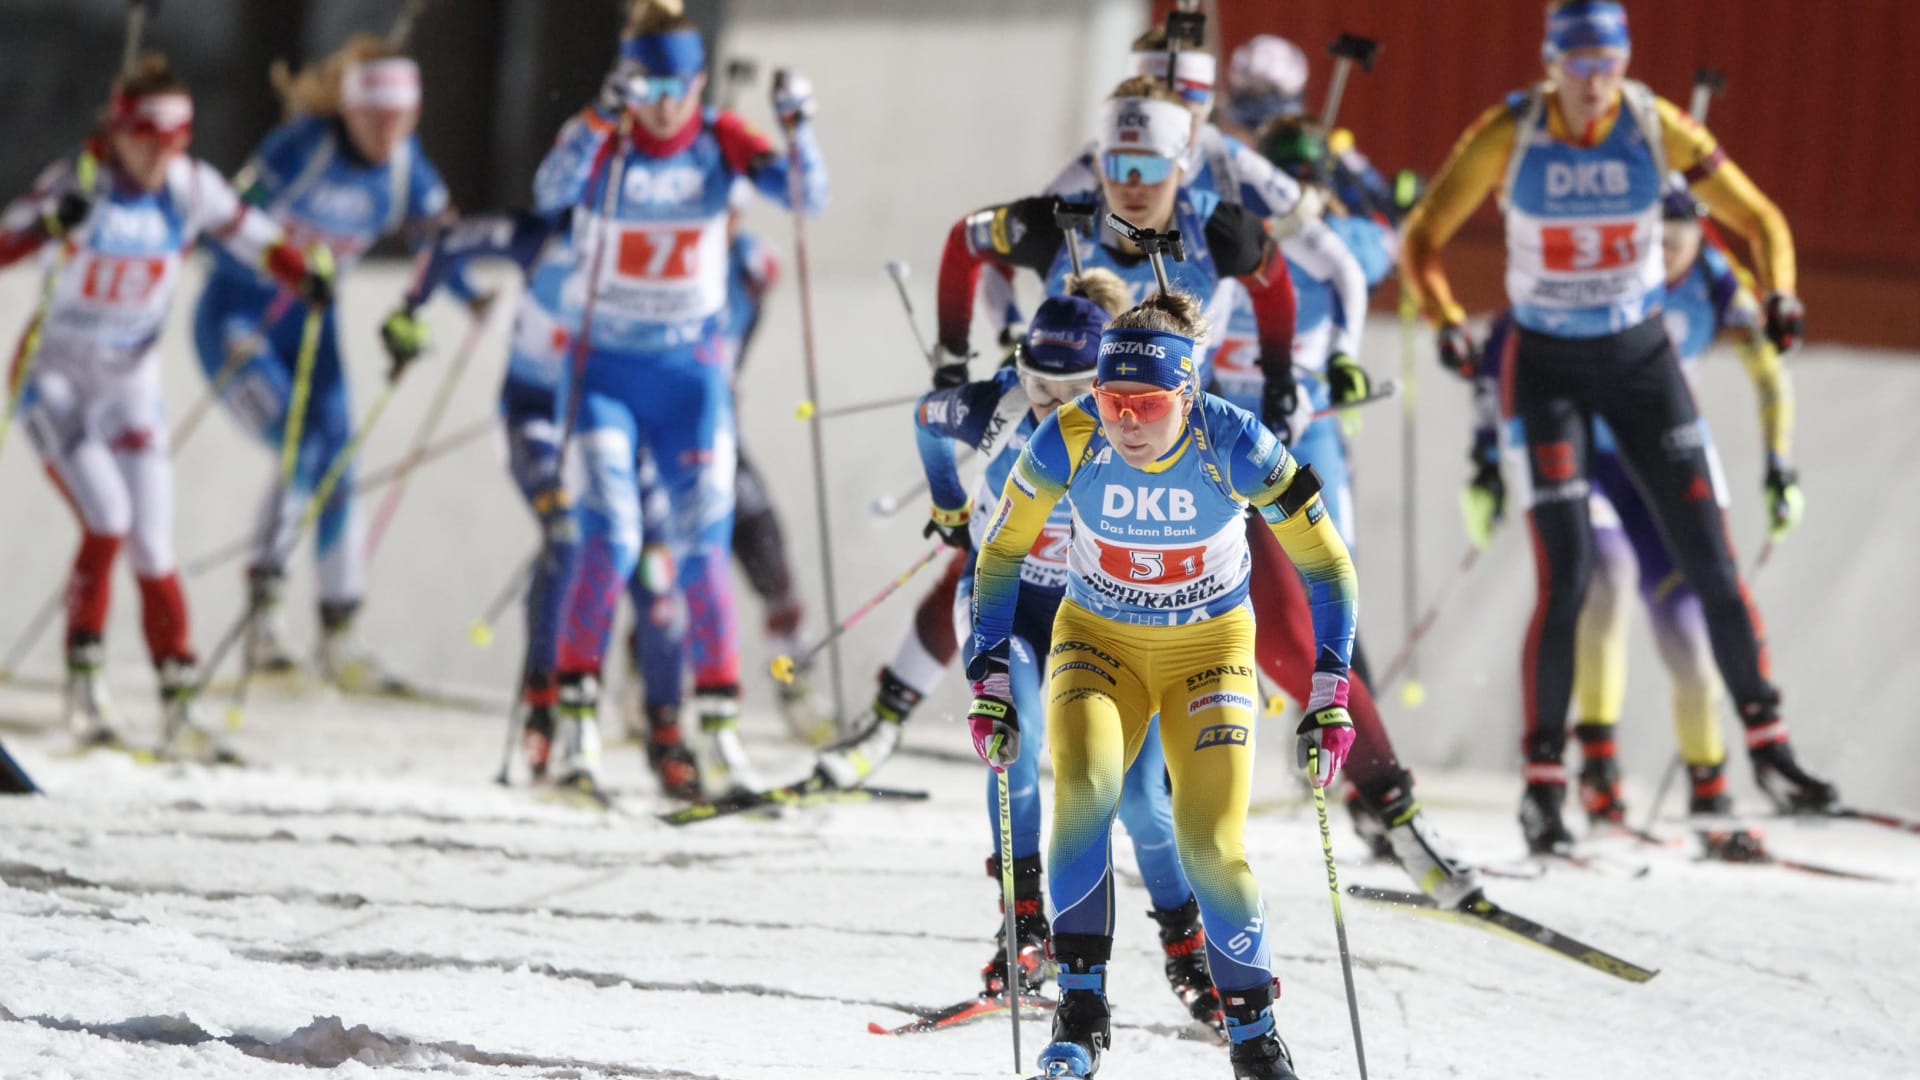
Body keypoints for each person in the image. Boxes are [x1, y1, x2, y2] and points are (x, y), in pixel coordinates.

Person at [1400, 0, 1837, 853]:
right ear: (1551, 63)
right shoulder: (1510, 131)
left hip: (1641, 364)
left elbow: (1761, 220)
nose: (1596, 83)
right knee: (1568, 577)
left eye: (1611, 64)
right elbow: (1424, 236)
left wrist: (1782, 292)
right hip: (1550, 370)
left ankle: (1769, 750)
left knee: (1711, 562)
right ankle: (1545, 785)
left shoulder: (1653, 123)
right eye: (1580, 64)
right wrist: (1447, 318)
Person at [816, 73, 1300, 797]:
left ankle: (1180, 775)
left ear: (1183, 161)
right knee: (992, 566)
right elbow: (966, 243)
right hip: (1060, 426)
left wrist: (1281, 378)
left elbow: (1279, 278)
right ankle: (888, 720)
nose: (1130, 185)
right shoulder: (1063, 219)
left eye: (1148, 167)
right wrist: (960, 355)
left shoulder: (1217, 228)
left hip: (1165, 445)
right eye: (1117, 164)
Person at [965, 289, 1356, 1079]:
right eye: (1112, 400)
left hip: (1209, 649)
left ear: (1187, 392)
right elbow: (1000, 553)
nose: (1126, 422)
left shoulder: (1235, 441)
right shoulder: (1068, 434)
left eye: (1146, 404)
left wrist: (1330, 693)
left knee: (1210, 844)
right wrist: (990, 677)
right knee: (1085, 796)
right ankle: (1080, 1015)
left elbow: (1327, 564)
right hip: (1098, 641)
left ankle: (1255, 1038)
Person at [854, 272, 1226, 1026]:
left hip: (1106, 621)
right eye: (1037, 385)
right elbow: (929, 417)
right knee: (1013, 742)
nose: (1050, 406)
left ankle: (1190, 953)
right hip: (1011, 607)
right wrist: (949, 503)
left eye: (1073, 391)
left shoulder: (1139, 425)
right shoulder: (1000, 408)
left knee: (1141, 802)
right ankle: (1025, 928)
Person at [532, 0, 826, 797]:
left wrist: (798, 128)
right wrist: (597, 119)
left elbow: (809, 196)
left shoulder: (722, 138)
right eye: (649, 88)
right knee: (612, 542)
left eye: (677, 88)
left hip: (690, 382)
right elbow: (548, 190)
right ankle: (576, 733)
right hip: (604, 378)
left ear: (698, 83)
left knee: (703, 553)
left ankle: (722, 738)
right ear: (629, 83)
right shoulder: (607, 138)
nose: (664, 106)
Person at [2, 54, 327, 758]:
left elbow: (256, 234)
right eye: (146, 138)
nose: (159, 155)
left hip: (129, 385)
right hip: (53, 378)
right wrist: (49, 223)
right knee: (107, 519)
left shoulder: (186, 187)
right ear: (118, 131)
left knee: (152, 543)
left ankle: (178, 701)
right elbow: (7, 243)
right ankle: (85, 691)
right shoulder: (79, 181)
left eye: (174, 140)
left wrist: (306, 273)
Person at [1463, 181, 1804, 827]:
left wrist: (1779, 461)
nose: (1667, 257)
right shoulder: (1606, 265)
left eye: (1679, 244)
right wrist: (1486, 459)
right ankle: (1597, 765)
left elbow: (1768, 369)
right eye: (1657, 243)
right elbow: (1504, 348)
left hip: (1654, 459)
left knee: (1688, 627)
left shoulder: (1714, 278)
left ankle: (1711, 787)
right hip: (1585, 458)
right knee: (1606, 580)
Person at [192, 34, 471, 692]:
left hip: (313, 325)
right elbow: (228, 224)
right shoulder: (303, 147)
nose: (388, 132)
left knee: (339, 459)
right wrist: (284, 258)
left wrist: (470, 298)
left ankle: (339, 635)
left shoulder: (405, 167)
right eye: (375, 117)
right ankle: (263, 626)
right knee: (302, 450)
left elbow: (441, 245)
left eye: (401, 118)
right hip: (241, 319)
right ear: (349, 110)